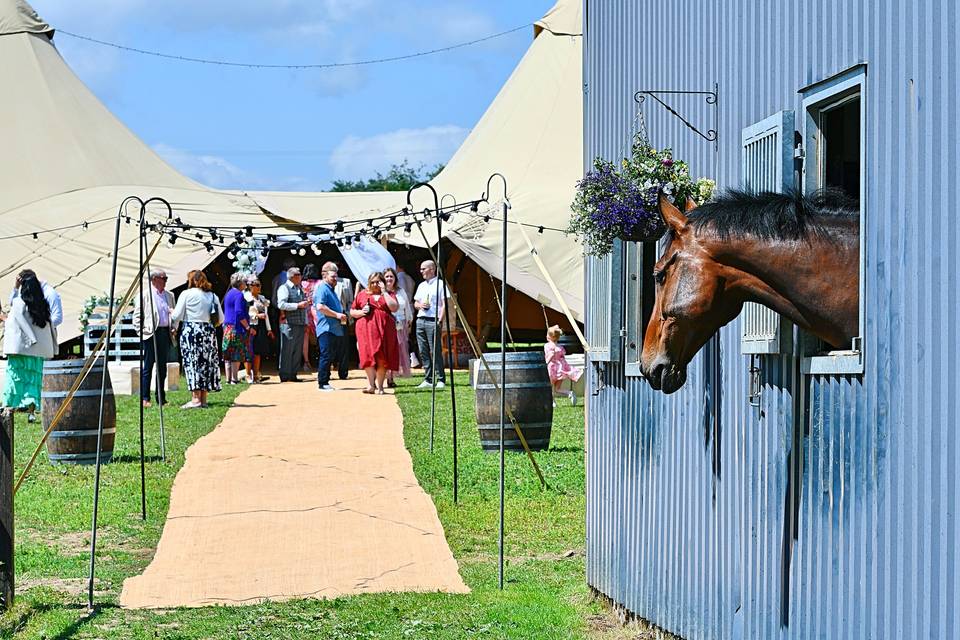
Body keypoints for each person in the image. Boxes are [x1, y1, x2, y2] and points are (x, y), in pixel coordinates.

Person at [1, 271, 56, 413]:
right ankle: (31, 405)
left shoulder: (19, 303)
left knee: (16, 376)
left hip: (20, 347)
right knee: (33, 378)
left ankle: (12, 404)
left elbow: (12, 310)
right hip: (38, 350)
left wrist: (15, 287)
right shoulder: (43, 305)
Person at [171, 270, 223, 409]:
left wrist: (171, 312)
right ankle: (204, 399)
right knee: (206, 364)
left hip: (192, 331)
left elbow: (177, 315)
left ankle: (195, 399)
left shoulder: (186, 294)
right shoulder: (213, 296)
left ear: (193, 280)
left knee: (193, 363)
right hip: (208, 332)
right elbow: (221, 319)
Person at [133, 269, 177, 407]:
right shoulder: (144, 295)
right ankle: (145, 398)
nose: (165, 281)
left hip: (165, 333)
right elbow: (136, 317)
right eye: (163, 278)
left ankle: (161, 398)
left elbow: (174, 314)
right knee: (148, 367)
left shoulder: (170, 295)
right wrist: (143, 333)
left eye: (166, 278)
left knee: (162, 368)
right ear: (154, 279)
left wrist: (174, 326)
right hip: (151, 334)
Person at [350, 272, 399, 395]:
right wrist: (362, 312)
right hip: (366, 330)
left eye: (378, 282)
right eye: (372, 282)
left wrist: (385, 292)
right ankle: (371, 385)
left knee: (382, 357)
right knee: (367, 356)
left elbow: (394, 307)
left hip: (384, 330)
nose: (375, 284)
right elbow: (352, 311)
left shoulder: (389, 294)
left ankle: (381, 386)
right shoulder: (362, 295)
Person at [413, 260, 449, 389]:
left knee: (435, 350)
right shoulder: (421, 285)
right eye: (421, 269)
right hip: (420, 319)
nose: (421, 271)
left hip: (433, 320)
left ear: (432, 269)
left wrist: (440, 320)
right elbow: (415, 303)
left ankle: (440, 379)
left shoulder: (440, 284)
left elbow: (445, 303)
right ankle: (428, 379)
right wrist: (420, 305)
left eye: (424, 269)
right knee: (423, 351)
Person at [313, 262, 348, 391]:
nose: (335, 279)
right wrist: (337, 315)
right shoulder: (322, 288)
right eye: (333, 276)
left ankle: (325, 380)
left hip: (333, 329)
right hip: (326, 328)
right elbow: (320, 307)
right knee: (326, 355)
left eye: (336, 276)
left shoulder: (330, 289)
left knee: (330, 355)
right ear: (325, 276)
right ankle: (322, 382)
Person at [276, 266, 311, 382]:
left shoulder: (299, 288)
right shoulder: (284, 288)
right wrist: (297, 305)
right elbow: (281, 304)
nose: (300, 276)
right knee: (287, 349)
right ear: (292, 276)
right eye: (298, 274)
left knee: (297, 350)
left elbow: (304, 307)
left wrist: (305, 322)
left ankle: (293, 374)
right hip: (289, 323)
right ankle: (285, 374)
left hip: (299, 323)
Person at [382, 267, 412, 387]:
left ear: (395, 278)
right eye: (387, 276)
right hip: (386, 324)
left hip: (401, 324)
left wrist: (409, 319)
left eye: (391, 276)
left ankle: (392, 377)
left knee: (399, 351)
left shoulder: (400, 291)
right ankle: (387, 376)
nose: (389, 279)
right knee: (387, 351)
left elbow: (407, 306)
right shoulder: (381, 292)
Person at [221, 273, 250, 384]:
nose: (246, 284)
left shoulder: (229, 294)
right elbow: (238, 312)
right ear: (240, 283)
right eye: (244, 282)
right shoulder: (239, 295)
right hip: (236, 327)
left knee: (227, 354)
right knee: (236, 354)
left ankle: (228, 379)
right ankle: (234, 379)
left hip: (227, 327)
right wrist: (247, 326)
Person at [244, 276, 274, 383]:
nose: (259, 287)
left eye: (259, 285)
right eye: (256, 285)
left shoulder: (262, 298)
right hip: (252, 325)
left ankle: (256, 374)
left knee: (258, 351)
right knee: (249, 350)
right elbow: (246, 313)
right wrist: (256, 316)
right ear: (250, 286)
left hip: (261, 325)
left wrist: (269, 329)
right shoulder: (247, 298)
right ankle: (248, 374)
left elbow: (266, 315)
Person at [544, 325, 583, 406]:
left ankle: (553, 402)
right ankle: (570, 393)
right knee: (557, 389)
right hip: (560, 369)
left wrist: (546, 362)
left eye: (547, 334)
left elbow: (550, 355)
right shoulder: (560, 347)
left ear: (549, 337)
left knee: (549, 387)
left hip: (552, 369)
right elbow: (562, 357)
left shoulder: (547, 345)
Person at [334, 269, 355, 380]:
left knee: (344, 344)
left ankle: (343, 371)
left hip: (342, 316)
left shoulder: (345, 282)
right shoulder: (322, 284)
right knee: (330, 345)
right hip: (330, 318)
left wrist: (348, 315)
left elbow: (350, 301)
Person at [300, 263, 320, 373]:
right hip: (316, 310)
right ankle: (320, 359)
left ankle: (306, 361)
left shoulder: (301, 284)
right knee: (319, 334)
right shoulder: (319, 283)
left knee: (305, 337)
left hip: (304, 311)